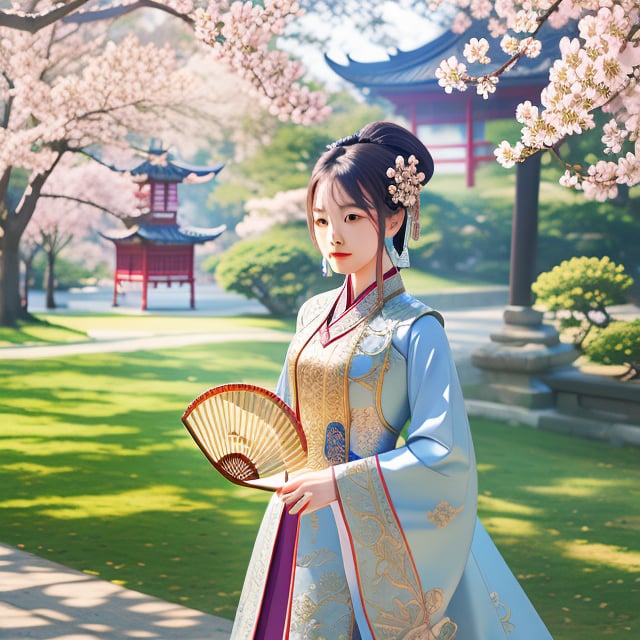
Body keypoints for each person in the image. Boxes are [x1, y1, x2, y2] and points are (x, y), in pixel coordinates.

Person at [230, 121, 553, 639]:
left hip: (365, 523)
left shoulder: (416, 328)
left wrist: (335, 481)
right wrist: (257, 448)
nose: (332, 235)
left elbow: (442, 449)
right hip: (295, 514)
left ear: (395, 216)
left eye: (352, 216)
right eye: (320, 220)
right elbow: (286, 413)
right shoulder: (313, 312)